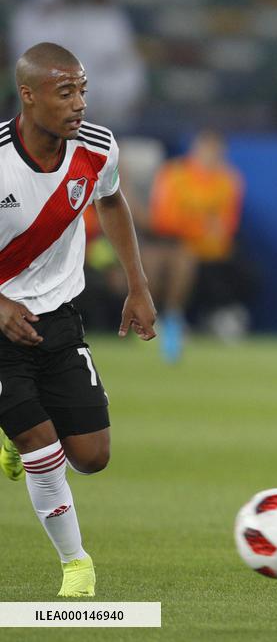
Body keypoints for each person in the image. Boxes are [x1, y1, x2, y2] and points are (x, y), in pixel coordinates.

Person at [0, 42, 157, 597]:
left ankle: (14, 436)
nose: (79, 104)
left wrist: (137, 286)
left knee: (92, 457)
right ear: (28, 96)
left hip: (58, 319)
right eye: (65, 92)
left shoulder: (97, 148)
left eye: (83, 90)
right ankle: (76, 566)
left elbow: (111, 201)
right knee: (44, 450)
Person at [147, 129, 245, 362]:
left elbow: (226, 225)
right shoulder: (174, 174)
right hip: (173, 245)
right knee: (175, 260)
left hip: (213, 252)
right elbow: (164, 218)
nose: (211, 155)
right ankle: (164, 321)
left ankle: (204, 318)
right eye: (206, 149)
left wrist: (199, 229)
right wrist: (200, 227)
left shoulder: (228, 180)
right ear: (195, 149)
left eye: (216, 151)